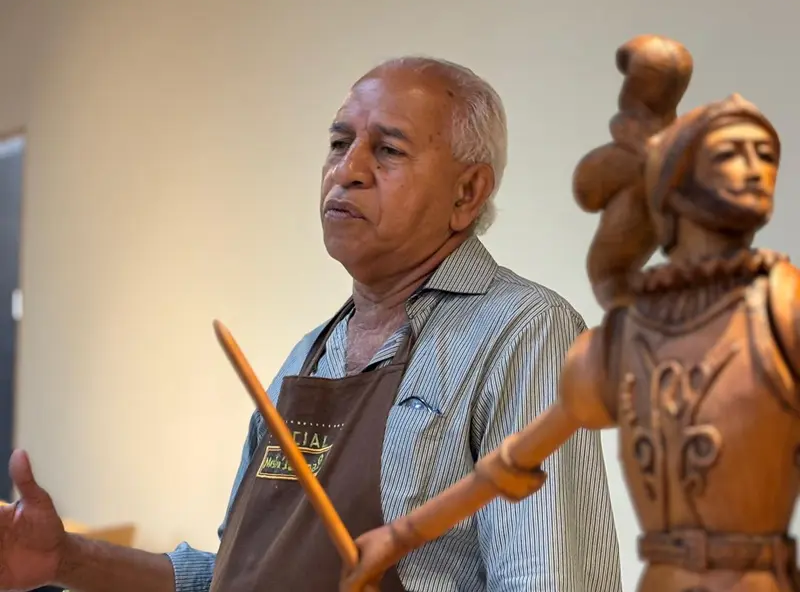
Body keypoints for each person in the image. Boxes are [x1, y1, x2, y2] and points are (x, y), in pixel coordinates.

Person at [0, 56, 622, 592]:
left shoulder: (523, 332)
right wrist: (66, 559)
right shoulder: (308, 357)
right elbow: (239, 578)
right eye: (338, 143)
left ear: (467, 193)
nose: (346, 169)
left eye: (388, 150)